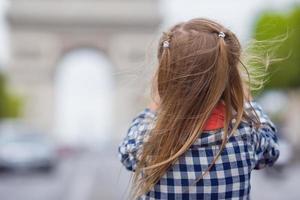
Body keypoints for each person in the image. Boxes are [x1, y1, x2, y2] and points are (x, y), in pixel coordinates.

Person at [118, 18, 280, 200]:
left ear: (164, 77)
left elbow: (126, 150)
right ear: (229, 76)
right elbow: (271, 147)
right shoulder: (247, 135)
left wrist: (156, 102)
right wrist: (244, 98)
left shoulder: (146, 141)